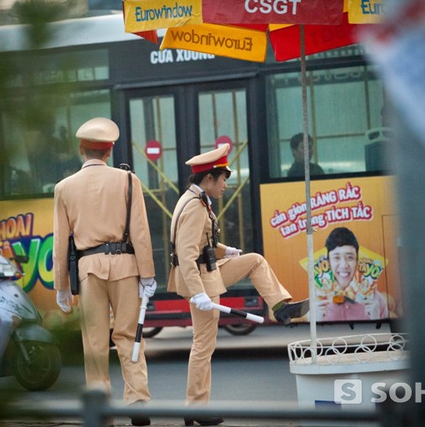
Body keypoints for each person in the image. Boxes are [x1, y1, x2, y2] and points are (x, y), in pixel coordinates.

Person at [168, 144, 309, 426]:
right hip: (200, 279)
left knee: (254, 261)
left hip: (207, 270)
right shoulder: (196, 207)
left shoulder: (194, 199)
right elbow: (185, 253)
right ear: (209, 178)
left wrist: (224, 251)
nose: (225, 186)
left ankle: (280, 307)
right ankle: (195, 407)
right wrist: (198, 295)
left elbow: (200, 244)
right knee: (203, 346)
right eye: (223, 180)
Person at [52, 117, 156, 427]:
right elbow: (140, 231)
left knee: (95, 343)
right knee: (129, 336)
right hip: (126, 266)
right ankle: (137, 401)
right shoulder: (128, 181)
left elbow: (60, 242)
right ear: (109, 151)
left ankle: (101, 409)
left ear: (80, 150)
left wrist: (61, 286)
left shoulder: (63, 188)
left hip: (88, 271)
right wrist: (148, 274)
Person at [317, 227, 388, 322]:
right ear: (328, 262)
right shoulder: (317, 302)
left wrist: (376, 320)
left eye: (349, 257)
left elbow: (385, 335)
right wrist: (315, 323)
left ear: (357, 260)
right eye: (336, 257)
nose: (344, 265)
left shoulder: (376, 300)